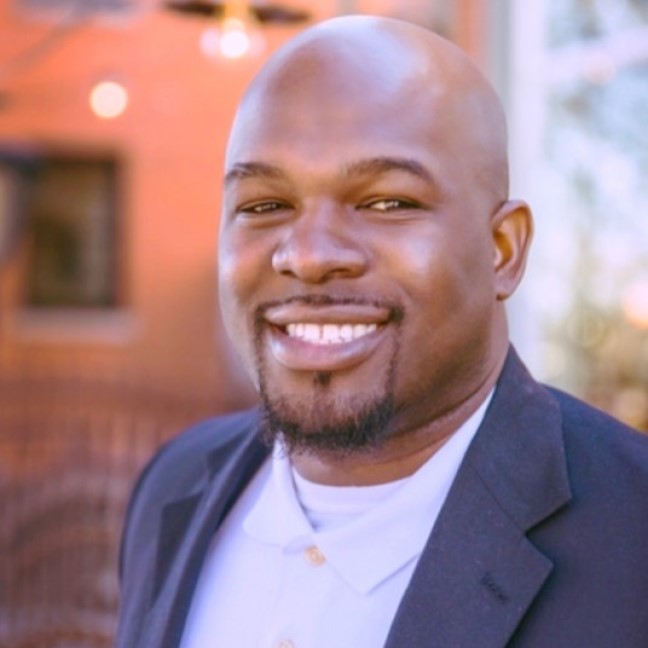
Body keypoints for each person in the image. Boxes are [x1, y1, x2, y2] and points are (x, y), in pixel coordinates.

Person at [116, 15, 648, 648]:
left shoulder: (632, 532)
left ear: (502, 250)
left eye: (387, 202)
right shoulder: (173, 487)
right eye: (264, 205)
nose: (309, 255)